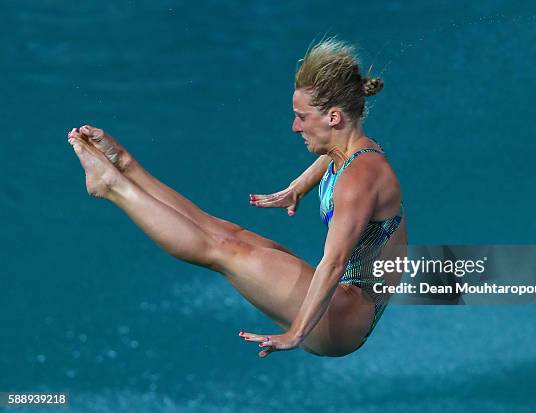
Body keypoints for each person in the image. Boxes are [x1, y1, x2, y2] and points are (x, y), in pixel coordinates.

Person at [67, 38, 406, 358]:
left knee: (222, 250)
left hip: (342, 323)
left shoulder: (360, 179)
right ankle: (125, 165)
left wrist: (296, 333)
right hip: (352, 301)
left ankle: (111, 186)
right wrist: (298, 186)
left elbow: (333, 263)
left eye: (302, 117)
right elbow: (334, 159)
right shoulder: (356, 149)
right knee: (228, 234)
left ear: (333, 117)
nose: (294, 126)